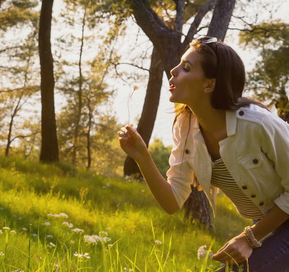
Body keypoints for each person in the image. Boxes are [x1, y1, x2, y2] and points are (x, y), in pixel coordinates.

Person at [117, 36, 289, 271]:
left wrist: (249, 238)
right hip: (270, 222)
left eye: (186, 68)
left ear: (210, 84)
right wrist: (142, 157)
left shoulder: (257, 124)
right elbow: (172, 202)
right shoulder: (185, 126)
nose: (173, 71)